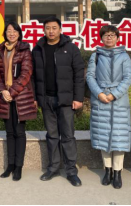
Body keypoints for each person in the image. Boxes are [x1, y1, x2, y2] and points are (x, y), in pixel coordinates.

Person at [32, 17, 85, 187]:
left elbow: (79, 74)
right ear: (44, 30)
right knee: (52, 136)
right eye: (48, 28)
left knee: (68, 136)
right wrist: (35, 98)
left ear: (60, 29)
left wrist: (78, 98)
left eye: (54, 28)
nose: (51, 31)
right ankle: (53, 167)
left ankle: (71, 171)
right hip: (46, 99)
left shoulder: (71, 48)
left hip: (66, 100)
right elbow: (33, 77)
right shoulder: (38, 49)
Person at [87, 25, 131, 190]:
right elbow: (90, 76)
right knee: (103, 136)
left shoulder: (124, 56)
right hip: (100, 100)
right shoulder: (96, 55)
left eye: (112, 35)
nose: (109, 38)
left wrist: (114, 94)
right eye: (106, 35)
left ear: (117, 38)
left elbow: (128, 78)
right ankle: (107, 170)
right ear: (101, 38)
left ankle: (118, 172)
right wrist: (99, 93)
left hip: (119, 102)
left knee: (119, 138)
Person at [0, 22, 37, 182]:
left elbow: (26, 73)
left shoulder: (25, 50)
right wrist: (2, 91)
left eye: (14, 31)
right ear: (5, 33)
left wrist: (11, 92)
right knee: (9, 132)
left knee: (19, 132)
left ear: (19, 33)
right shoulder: (0, 50)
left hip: (20, 97)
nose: (11, 33)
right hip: (4, 96)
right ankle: (10, 165)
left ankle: (19, 167)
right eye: (9, 31)